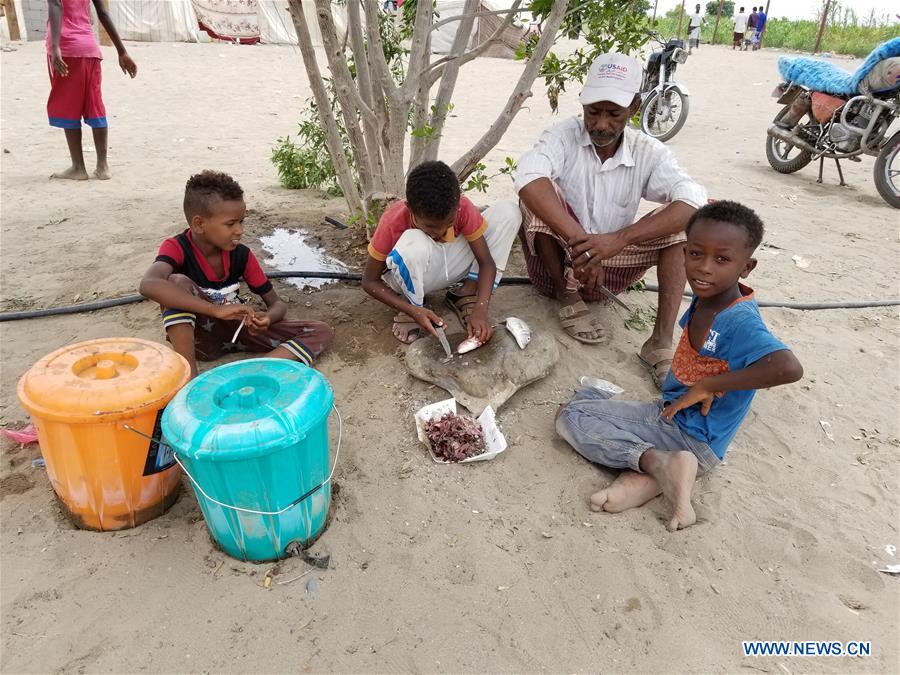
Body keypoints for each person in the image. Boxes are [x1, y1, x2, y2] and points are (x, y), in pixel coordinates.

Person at [555, 201, 803, 531]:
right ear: (684, 252)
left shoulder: (739, 320)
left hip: (688, 434)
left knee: (571, 416)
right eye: (696, 254)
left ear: (747, 267)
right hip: (687, 430)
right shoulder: (711, 296)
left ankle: (656, 462)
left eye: (722, 259)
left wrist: (708, 386)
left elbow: (788, 368)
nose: (705, 268)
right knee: (588, 402)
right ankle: (659, 476)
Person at [515, 52, 707, 388]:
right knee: (535, 196)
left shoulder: (648, 151)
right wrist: (584, 245)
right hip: (556, 267)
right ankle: (567, 298)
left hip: (612, 274)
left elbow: (693, 200)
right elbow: (529, 177)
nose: (601, 124)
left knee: (684, 227)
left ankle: (660, 342)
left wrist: (617, 240)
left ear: (634, 108)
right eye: (594, 112)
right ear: (583, 106)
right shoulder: (563, 135)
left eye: (613, 114)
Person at [139, 171, 333, 377]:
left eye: (241, 221)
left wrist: (267, 318)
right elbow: (149, 284)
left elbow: (277, 304)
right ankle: (189, 379)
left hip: (239, 331)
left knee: (320, 330)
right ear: (199, 224)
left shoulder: (242, 255)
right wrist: (214, 310)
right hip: (200, 338)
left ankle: (252, 371)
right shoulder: (176, 247)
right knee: (176, 282)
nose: (239, 230)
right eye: (230, 224)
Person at [363, 160, 521, 344]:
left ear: (457, 207)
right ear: (410, 209)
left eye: (449, 222)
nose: (440, 232)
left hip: (448, 266)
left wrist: (481, 309)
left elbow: (486, 262)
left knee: (509, 212)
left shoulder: (462, 207)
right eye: (430, 226)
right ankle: (414, 305)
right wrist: (411, 310)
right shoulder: (393, 221)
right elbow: (369, 281)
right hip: (409, 275)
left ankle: (466, 292)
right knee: (413, 242)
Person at [46, 0, 137, 180]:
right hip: (90, 48)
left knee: (68, 106)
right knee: (95, 105)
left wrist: (56, 46)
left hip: (67, 48)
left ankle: (78, 167)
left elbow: (56, 5)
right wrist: (122, 51)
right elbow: (103, 12)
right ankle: (103, 166)